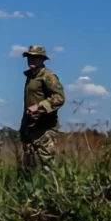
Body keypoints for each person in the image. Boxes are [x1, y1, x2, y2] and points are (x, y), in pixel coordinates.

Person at [20, 45, 65, 174]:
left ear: (42, 59)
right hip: (30, 127)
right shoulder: (31, 77)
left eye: (35, 57)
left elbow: (59, 97)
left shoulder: (47, 76)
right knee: (29, 167)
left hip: (45, 128)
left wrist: (40, 106)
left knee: (48, 166)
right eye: (29, 57)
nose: (31, 60)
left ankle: (52, 192)